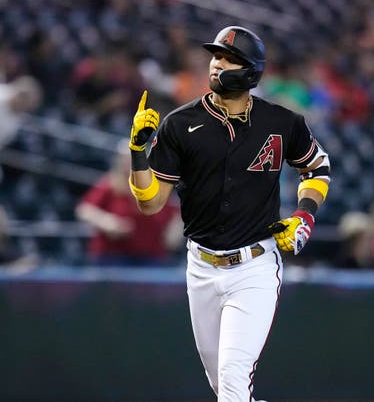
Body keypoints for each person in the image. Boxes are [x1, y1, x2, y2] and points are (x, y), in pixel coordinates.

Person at [127, 26, 330, 401]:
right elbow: (150, 202)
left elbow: (316, 167)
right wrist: (138, 153)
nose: (217, 64)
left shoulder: (281, 123)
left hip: (254, 265)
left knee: (233, 379)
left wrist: (305, 215)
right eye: (216, 56)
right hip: (201, 266)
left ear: (251, 71)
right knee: (224, 386)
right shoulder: (180, 124)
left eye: (229, 58)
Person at [75, 140, 183, 266]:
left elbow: (177, 215)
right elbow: (84, 209)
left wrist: (175, 231)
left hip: (151, 258)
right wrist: (106, 221)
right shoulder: (110, 185)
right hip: (113, 258)